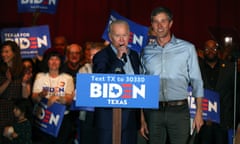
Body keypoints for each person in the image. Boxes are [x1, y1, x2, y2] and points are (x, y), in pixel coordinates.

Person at [140, 6, 204, 144]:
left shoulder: (187, 48)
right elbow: (141, 85)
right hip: (153, 112)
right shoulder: (145, 52)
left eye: (163, 21)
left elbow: (197, 81)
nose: (160, 25)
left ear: (170, 23)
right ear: (152, 25)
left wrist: (199, 113)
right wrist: (142, 118)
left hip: (179, 112)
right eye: (156, 21)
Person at [92, 20, 141, 144]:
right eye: (117, 36)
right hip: (108, 119)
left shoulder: (135, 55)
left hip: (130, 117)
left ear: (129, 35)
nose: (121, 40)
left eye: (124, 35)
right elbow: (101, 81)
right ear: (110, 36)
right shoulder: (101, 56)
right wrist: (118, 59)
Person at [32, 49, 74, 144]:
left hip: (62, 119)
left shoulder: (68, 78)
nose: (54, 62)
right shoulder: (40, 76)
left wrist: (57, 98)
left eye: (57, 59)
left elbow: (69, 100)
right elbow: (34, 98)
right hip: (44, 117)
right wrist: (41, 95)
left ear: (61, 62)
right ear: (47, 61)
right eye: (51, 59)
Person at [197, 40, 235, 144]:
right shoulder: (196, 68)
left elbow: (235, 94)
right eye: (207, 48)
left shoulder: (230, 68)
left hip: (223, 122)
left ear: (218, 50)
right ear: (203, 51)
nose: (210, 51)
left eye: (213, 48)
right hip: (203, 122)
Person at [0, 41, 32, 144]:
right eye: (2, 52)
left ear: (14, 53)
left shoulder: (23, 70)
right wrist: (8, 81)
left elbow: (25, 95)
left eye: (7, 51)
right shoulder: (0, 70)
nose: (3, 54)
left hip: (16, 110)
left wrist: (24, 83)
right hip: (2, 109)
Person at [77, 42, 103, 144]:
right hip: (88, 114)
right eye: (91, 55)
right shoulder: (84, 69)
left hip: (105, 115)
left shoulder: (112, 69)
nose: (93, 58)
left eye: (97, 55)